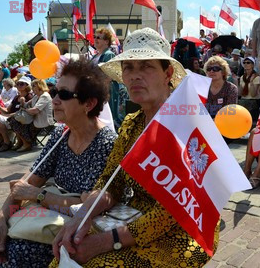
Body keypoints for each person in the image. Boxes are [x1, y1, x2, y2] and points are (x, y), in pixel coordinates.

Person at [50, 28, 218, 267]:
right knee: (62, 258)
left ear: (167, 73)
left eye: (146, 66)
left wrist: (105, 241)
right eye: (128, 67)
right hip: (132, 218)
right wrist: (82, 216)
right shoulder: (131, 124)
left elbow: (174, 210)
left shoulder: (187, 124)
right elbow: (111, 181)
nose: (135, 76)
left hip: (185, 229)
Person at [0, 59, 117, 268]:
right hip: (48, 221)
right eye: (55, 91)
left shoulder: (107, 143)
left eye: (64, 95)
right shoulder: (61, 134)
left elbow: (88, 205)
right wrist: (0, 218)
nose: (55, 100)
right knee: (6, 241)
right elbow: (26, 184)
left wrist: (39, 196)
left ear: (89, 104)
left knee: (20, 252)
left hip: (77, 232)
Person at [0, 76, 33, 152]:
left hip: (18, 118)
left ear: (27, 86)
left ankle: (7, 142)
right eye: (18, 84)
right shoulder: (17, 97)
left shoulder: (29, 97)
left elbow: (24, 112)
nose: (19, 85)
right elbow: (7, 110)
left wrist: (8, 115)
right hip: (10, 116)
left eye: (22, 84)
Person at [92, 27, 129, 128]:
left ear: (106, 41)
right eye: (94, 37)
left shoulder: (108, 55)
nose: (95, 39)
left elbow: (108, 76)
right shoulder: (94, 57)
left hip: (107, 93)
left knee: (109, 120)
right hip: (96, 92)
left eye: (99, 37)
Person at [7, 79, 54, 152]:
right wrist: (22, 102)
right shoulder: (36, 96)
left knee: (15, 121)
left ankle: (26, 143)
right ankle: (21, 142)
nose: (32, 88)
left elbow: (35, 110)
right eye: (32, 86)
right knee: (12, 119)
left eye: (34, 86)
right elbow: (26, 105)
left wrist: (25, 110)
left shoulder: (45, 96)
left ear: (40, 86)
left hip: (42, 120)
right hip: (35, 118)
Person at [238, 56, 260, 121]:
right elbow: (240, 93)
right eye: (244, 62)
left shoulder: (256, 77)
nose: (246, 64)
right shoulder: (242, 77)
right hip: (244, 100)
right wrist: (236, 82)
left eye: (248, 63)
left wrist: (251, 82)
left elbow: (253, 94)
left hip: (253, 102)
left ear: (253, 65)